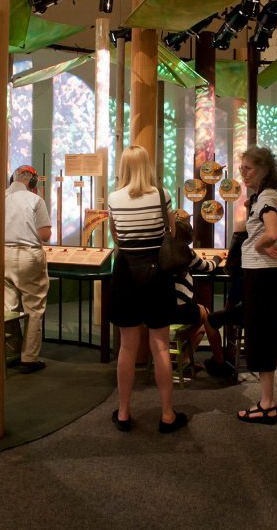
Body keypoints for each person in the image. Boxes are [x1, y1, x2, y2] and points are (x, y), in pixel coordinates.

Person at [107, 145, 187, 434]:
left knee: (127, 346)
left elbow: (116, 236)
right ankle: (167, 414)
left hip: (127, 272)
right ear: (147, 166)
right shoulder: (162, 195)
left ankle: (125, 412)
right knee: (161, 345)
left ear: (124, 167)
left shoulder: (114, 198)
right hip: (157, 273)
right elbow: (172, 232)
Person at [236, 146, 277, 424]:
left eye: (248, 168)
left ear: (263, 170)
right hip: (267, 274)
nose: (243, 173)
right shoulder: (268, 196)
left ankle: (266, 404)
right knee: (273, 335)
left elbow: (272, 232)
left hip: (260, 274)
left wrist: (261, 244)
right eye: (242, 168)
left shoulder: (266, 198)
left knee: (260, 337)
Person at [167, 214, 230, 377]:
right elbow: (207, 267)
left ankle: (182, 359)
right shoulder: (186, 252)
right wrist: (217, 259)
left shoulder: (162, 251)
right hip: (180, 309)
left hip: (161, 308)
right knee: (207, 316)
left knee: (200, 323)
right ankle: (218, 362)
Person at [4, 165, 52, 374]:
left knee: (8, 307)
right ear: (32, 182)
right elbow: (44, 235)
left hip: (2, 254)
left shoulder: (0, 198)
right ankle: (29, 358)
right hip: (28, 255)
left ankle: (11, 351)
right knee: (34, 307)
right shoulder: (35, 200)